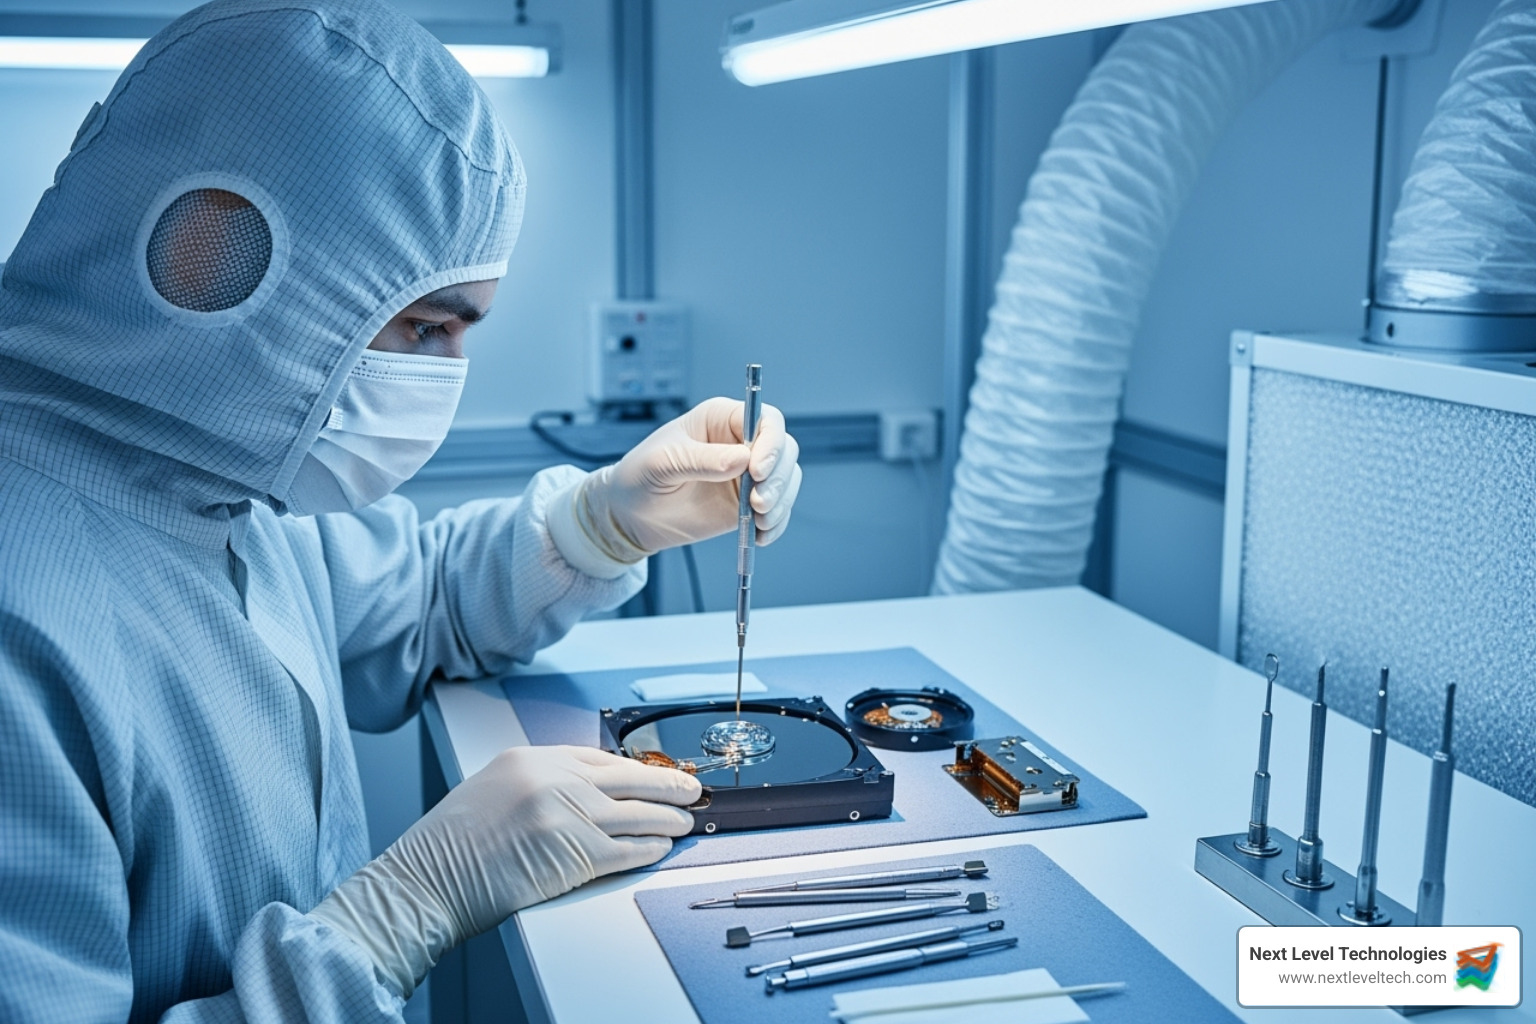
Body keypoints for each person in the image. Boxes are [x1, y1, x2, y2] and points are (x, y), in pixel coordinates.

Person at [0, 1, 802, 1020]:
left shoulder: (212, 462)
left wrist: (606, 518)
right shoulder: (23, 615)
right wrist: (395, 916)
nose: (447, 372)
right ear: (214, 262)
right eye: (423, 326)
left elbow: (410, 602)